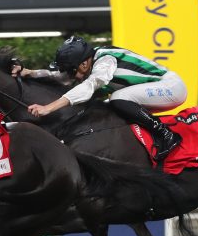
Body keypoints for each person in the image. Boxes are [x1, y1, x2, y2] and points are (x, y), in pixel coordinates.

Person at [16, 36, 187, 161]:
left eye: (71, 70)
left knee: (118, 98)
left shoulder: (105, 60)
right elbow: (59, 77)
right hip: (153, 90)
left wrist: (49, 108)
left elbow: (88, 87)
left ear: (84, 64)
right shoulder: (88, 63)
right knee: (105, 106)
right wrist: (30, 72)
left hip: (171, 87)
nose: (70, 76)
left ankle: (167, 135)